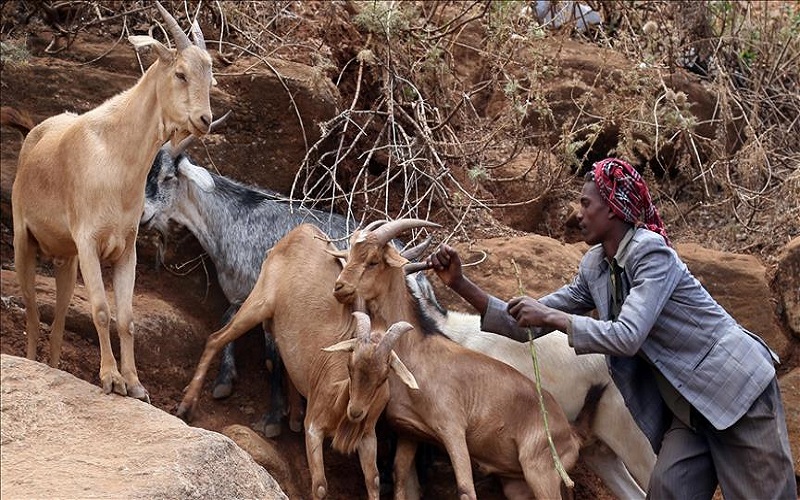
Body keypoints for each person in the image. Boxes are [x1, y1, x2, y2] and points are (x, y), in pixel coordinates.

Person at [427, 157, 796, 499]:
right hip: (691, 411)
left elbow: (628, 335)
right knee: (668, 490)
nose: (579, 214)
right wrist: (460, 284)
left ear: (614, 208)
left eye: (587, 204)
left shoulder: (651, 254)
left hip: (735, 391)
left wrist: (557, 319)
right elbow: (527, 323)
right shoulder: (596, 267)